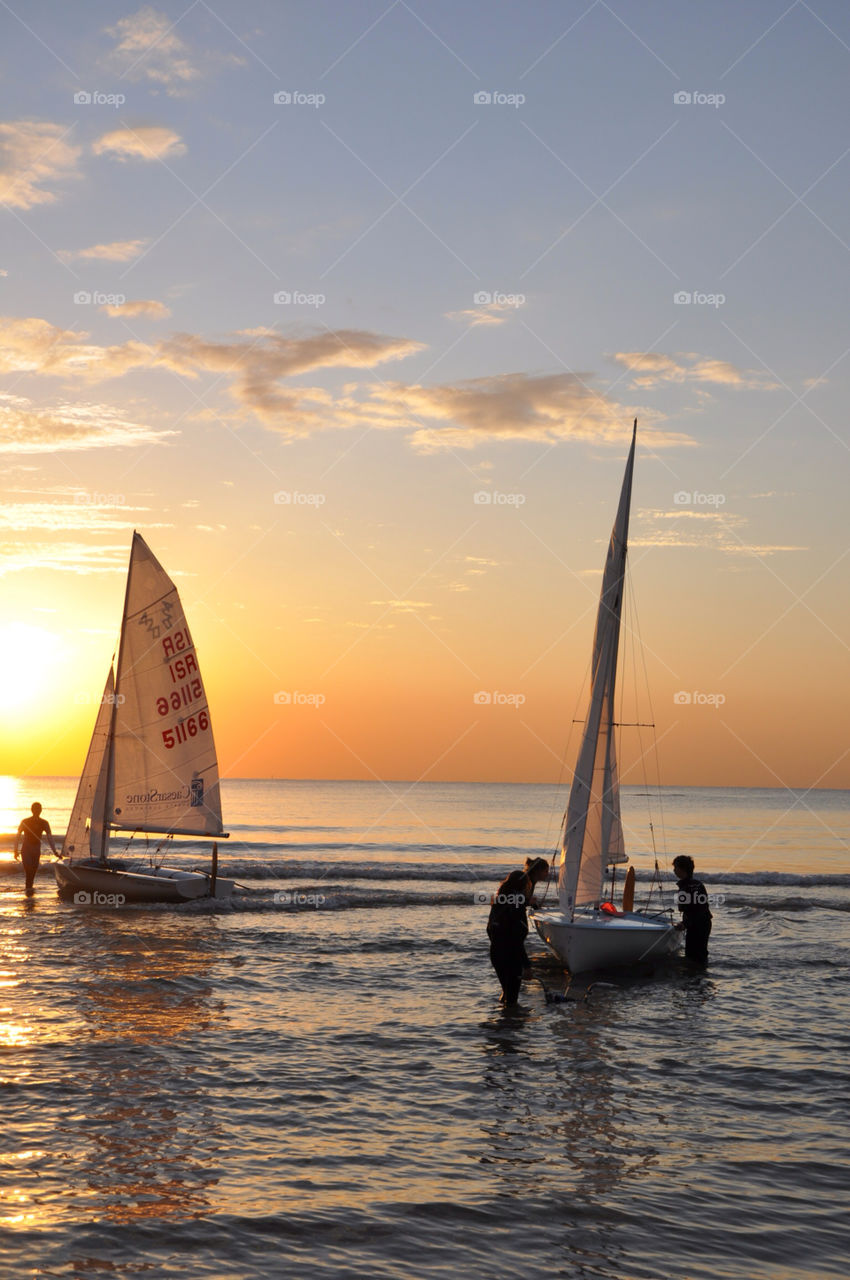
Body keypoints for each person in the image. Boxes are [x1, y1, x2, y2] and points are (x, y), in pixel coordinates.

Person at [487, 857, 550, 1005]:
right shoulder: (516, 909)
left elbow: (490, 931)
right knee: (512, 1001)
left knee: (506, 995)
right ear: (524, 888)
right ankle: (511, 1025)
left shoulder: (498, 906)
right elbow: (515, 941)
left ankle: (505, 1023)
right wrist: (526, 966)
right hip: (511, 958)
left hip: (496, 955)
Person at [672, 854, 712, 963]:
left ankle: (694, 976)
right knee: (701, 953)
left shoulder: (684, 888)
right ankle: (701, 974)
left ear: (682, 869)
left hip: (695, 924)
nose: (674, 870)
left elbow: (686, 909)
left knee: (691, 955)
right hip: (705, 923)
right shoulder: (699, 884)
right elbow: (702, 908)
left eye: (675, 867)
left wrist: (685, 924)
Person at [15, 803, 58, 896]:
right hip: (26, 849)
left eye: (39, 809)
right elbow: (17, 836)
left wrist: (55, 852)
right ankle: (29, 893)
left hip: (36, 849)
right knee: (29, 872)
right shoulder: (25, 821)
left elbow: (50, 838)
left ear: (41, 810)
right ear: (32, 810)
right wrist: (15, 850)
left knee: (33, 873)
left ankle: (29, 893)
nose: (37, 811)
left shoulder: (44, 823)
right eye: (36, 809)